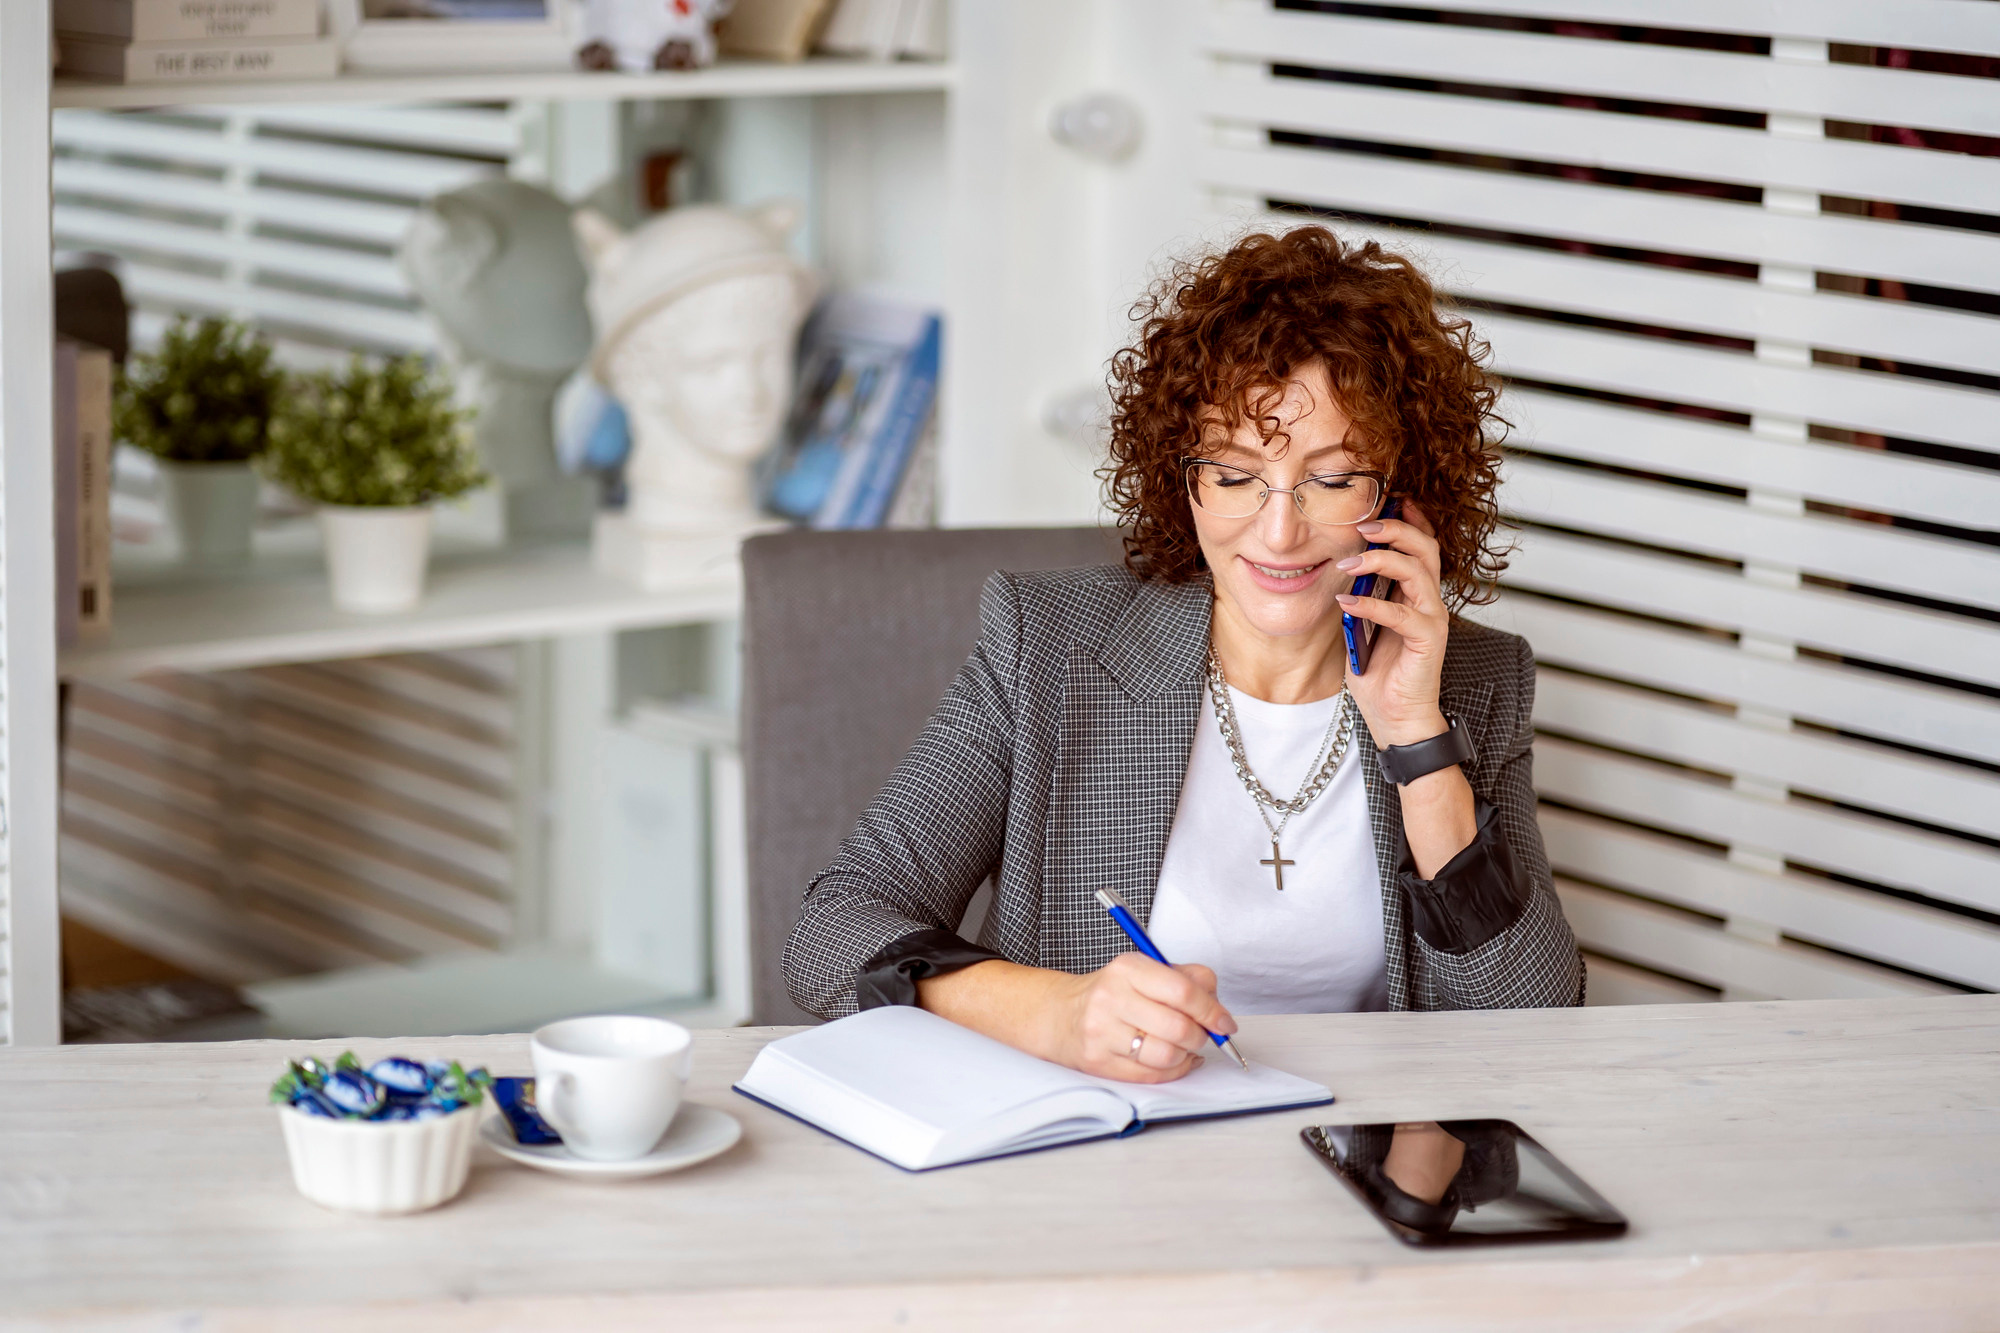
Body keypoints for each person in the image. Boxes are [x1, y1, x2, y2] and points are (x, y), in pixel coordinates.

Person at [783, 226, 1582, 1082]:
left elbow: (1534, 1024)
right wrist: (1055, 1012)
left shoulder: (1476, 681)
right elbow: (835, 926)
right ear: (1182, 474)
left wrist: (1418, 741)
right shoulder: (1050, 644)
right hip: (1099, 1153)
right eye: (1235, 475)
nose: (1278, 530)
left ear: (1406, 495)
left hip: (1357, 1154)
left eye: (1334, 478)